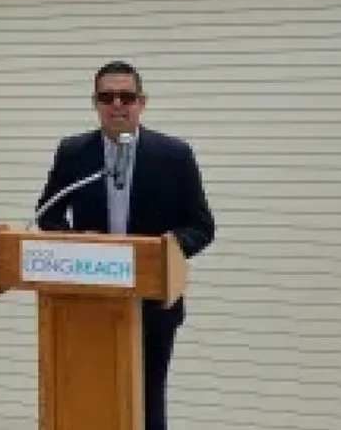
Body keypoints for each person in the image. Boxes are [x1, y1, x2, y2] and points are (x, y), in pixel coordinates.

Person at [34, 61, 215, 430]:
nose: (117, 104)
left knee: (147, 401)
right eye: (107, 97)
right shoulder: (73, 152)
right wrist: (74, 241)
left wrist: (170, 247)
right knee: (91, 397)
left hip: (153, 304)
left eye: (126, 97)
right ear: (95, 103)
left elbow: (202, 226)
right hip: (90, 302)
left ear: (142, 102)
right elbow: (47, 213)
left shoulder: (175, 156)